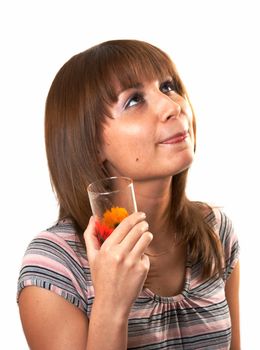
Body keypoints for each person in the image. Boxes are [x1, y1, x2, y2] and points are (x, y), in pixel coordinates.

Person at [17, 39, 240, 350]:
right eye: (134, 100)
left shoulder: (216, 230)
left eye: (168, 86)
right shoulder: (56, 265)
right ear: (91, 145)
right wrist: (111, 305)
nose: (172, 106)